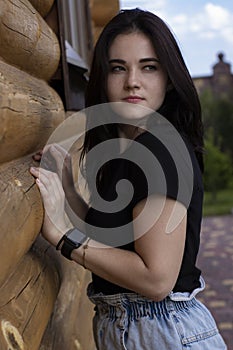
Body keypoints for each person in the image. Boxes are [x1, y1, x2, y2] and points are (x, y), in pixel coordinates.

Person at [30, 8, 227, 350]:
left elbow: (156, 278)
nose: (132, 81)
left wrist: (65, 239)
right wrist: (68, 191)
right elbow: (120, 243)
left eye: (148, 67)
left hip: (161, 334)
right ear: (102, 77)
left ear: (168, 77)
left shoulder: (159, 148)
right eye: (118, 67)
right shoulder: (132, 148)